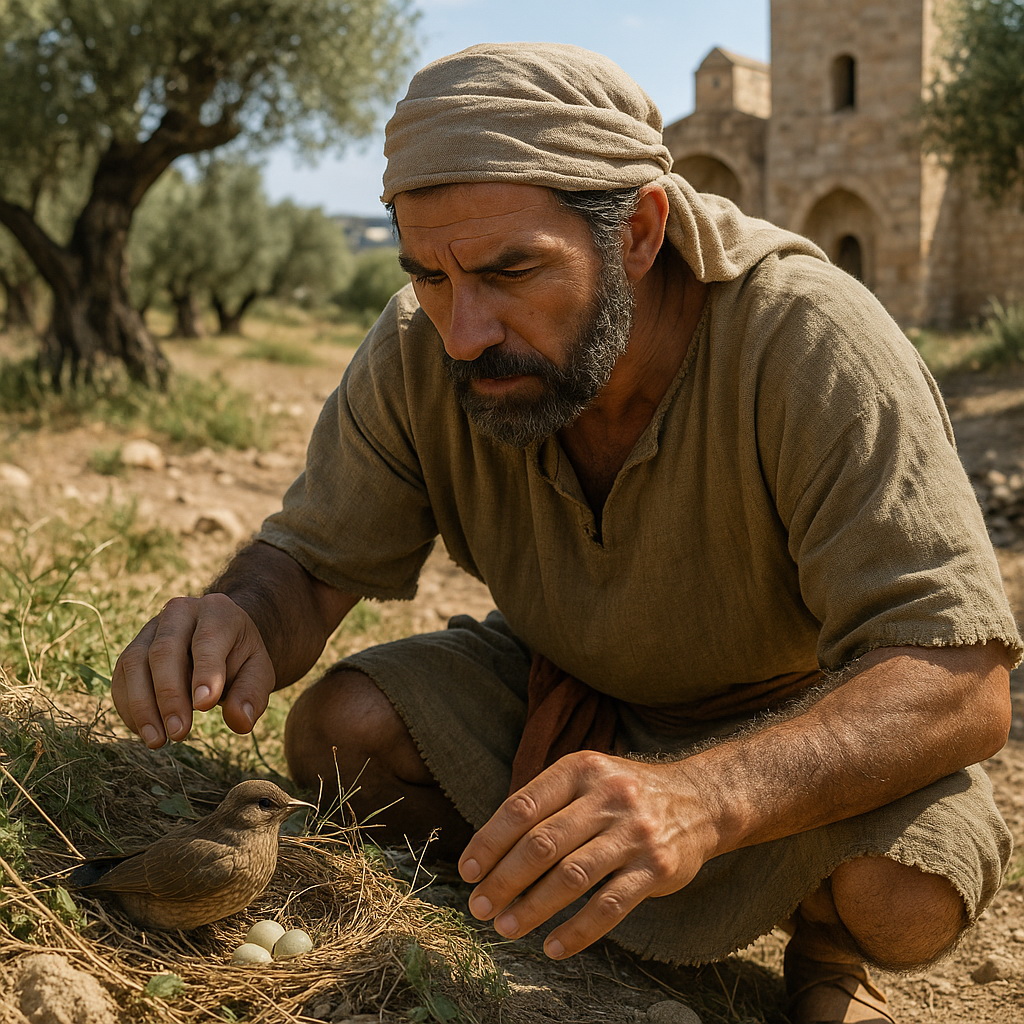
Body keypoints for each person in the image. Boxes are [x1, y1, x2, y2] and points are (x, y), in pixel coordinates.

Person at [112, 43, 1021, 1024]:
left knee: (900, 895)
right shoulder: (423, 346)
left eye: (511, 270)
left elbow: (959, 680)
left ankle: (826, 949)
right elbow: (308, 563)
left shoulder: (808, 341)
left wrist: (702, 798)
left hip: (794, 732)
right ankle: (544, 898)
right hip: (576, 700)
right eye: (427, 274)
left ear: (639, 232)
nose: (464, 331)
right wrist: (239, 617)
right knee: (344, 732)